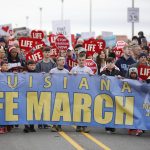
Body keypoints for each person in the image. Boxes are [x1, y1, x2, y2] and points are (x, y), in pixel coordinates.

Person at [70, 53, 93, 133]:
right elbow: (68, 79)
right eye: (80, 60)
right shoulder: (74, 69)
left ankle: (84, 126)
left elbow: (93, 81)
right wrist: (72, 75)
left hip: (86, 93)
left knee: (85, 109)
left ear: (85, 60)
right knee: (78, 109)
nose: (81, 61)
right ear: (77, 60)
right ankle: (78, 126)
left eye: (83, 60)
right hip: (76, 92)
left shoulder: (88, 70)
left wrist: (91, 76)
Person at [36, 46, 56, 129]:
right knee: (40, 104)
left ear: (50, 53)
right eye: (45, 52)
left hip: (49, 87)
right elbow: (35, 74)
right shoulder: (39, 63)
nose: (47, 54)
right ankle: (40, 122)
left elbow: (54, 75)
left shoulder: (53, 63)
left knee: (47, 105)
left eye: (48, 52)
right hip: (41, 86)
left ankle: (45, 121)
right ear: (43, 53)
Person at [100, 57, 122, 134]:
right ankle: (107, 126)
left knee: (114, 110)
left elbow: (122, 82)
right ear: (106, 63)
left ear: (114, 63)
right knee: (106, 110)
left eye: (111, 62)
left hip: (115, 93)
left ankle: (112, 126)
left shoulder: (117, 72)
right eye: (108, 62)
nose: (110, 64)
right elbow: (97, 80)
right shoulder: (103, 72)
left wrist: (120, 78)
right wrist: (101, 77)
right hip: (106, 94)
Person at [50, 56, 69, 132]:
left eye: (64, 60)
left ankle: (59, 125)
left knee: (61, 109)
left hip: (63, 93)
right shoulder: (52, 71)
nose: (63, 61)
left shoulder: (67, 72)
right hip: (55, 92)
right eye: (61, 60)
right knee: (55, 108)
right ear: (57, 62)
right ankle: (54, 125)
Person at [127, 67, 143, 136]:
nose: (133, 74)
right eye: (132, 73)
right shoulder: (127, 80)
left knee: (138, 113)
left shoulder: (140, 80)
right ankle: (131, 128)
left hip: (138, 99)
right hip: (129, 99)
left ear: (137, 74)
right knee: (130, 113)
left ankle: (139, 128)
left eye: (134, 73)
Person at [23, 60, 36, 133]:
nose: (32, 66)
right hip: (26, 94)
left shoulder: (38, 73)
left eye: (33, 65)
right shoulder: (24, 73)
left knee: (33, 111)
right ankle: (26, 126)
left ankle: (32, 126)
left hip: (34, 94)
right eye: (30, 65)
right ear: (27, 66)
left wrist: (43, 75)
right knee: (26, 110)